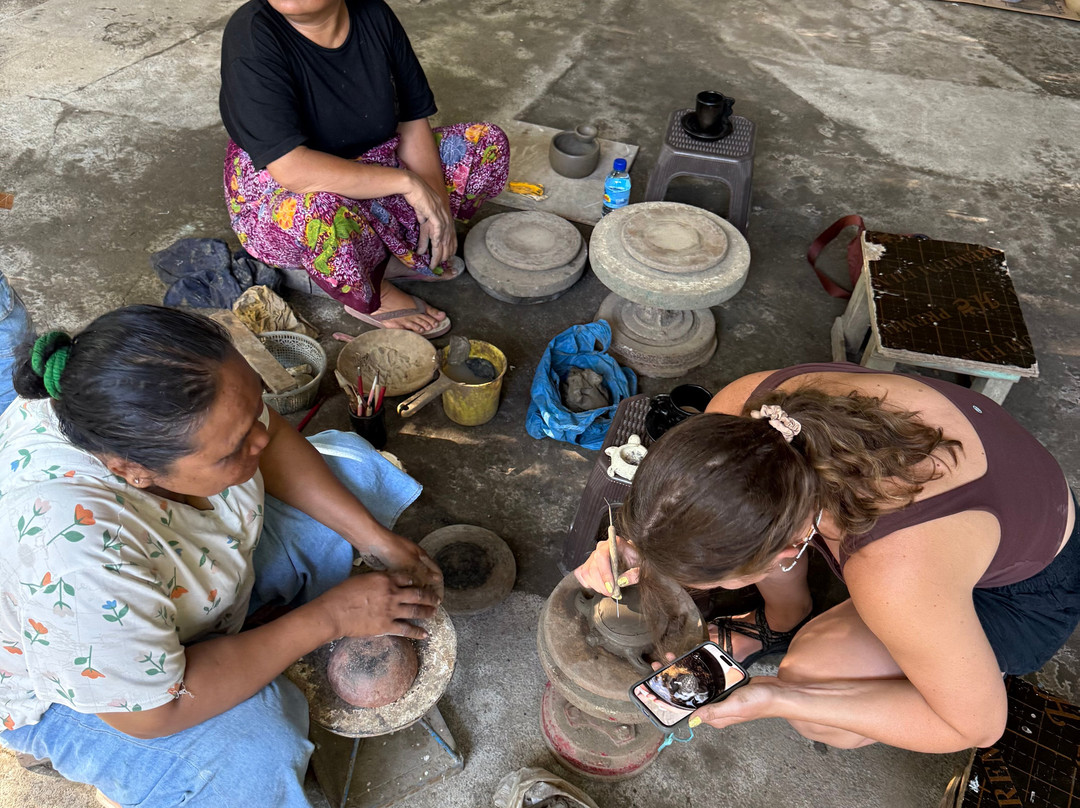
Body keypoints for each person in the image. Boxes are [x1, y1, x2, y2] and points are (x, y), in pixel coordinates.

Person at [0, 305, 443, 806]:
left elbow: (271, 435)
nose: (261, 435)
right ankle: (67, 750)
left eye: (255, 408)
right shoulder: (74, 554)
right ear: (134, 470)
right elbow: (152, 714)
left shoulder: (151, 394)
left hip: (182, 566)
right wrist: (330, 618)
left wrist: (374, 539)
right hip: (101, 690)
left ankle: (251, 624)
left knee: (355, 467)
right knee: (258, 749)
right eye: (233, 450)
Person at [575, 363, 1079, 753]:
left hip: (1023, 588)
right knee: (739, 534)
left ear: (794, 547)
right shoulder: (743, 412)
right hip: (990, 500)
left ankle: (948, 656)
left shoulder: (893, 573)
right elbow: (715, 499)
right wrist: (642, 536)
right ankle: (782, 618)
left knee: (815, 678)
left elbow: (977, 728)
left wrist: (778, 698)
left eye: (719, 580)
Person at [219, 0, 510, 338]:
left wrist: (436, 210)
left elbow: (412, 119)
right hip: (287, 191)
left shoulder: (373, 13)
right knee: (321, 214)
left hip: (374, 161)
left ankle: (393, 259)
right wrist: (410, 184)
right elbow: (292, 169)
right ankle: (374, 292)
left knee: (485, 144)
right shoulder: (252, 33)